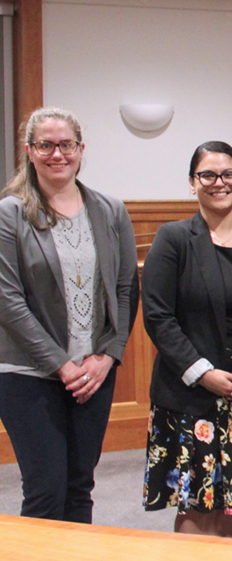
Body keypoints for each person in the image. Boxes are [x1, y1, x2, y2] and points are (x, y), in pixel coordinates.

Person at [0, 106, 139, 523]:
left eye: (66, 145)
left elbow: (126, 288)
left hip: (94, 371)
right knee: (45, 489)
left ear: (81, 150)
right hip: (27, 373)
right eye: (46, 145)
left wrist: (107, 357)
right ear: (29, 150)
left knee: (80, 486)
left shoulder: (109, 210)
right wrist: (61, 365)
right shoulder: (10, 213)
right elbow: (7, 299)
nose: (56, 154)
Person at [141, 141, 232, 537]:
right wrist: (203, 373)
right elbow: (158, 316)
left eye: (228, 175)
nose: (219, 183)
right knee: (198, 504)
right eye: (208, 175)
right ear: (192, 183)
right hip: (193, 394)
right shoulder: (174, 238)